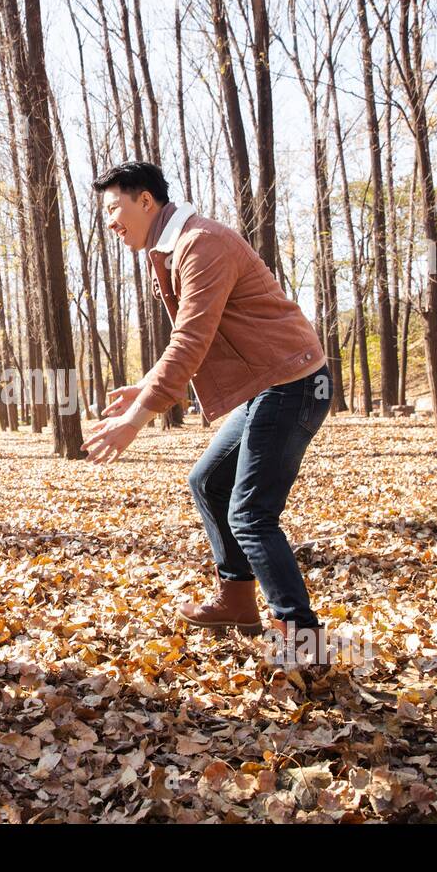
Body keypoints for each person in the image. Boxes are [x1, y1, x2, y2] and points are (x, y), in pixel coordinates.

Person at [82, 161, 332, 647]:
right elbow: (193, 337)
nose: (110, 221)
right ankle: (237, 601)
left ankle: (303, 645)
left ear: (146, 202)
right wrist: (146, 384)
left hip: (293, 382)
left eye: (115, 208)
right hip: (266, 385)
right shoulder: (174, 247)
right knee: (209, 482)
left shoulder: (202, 244)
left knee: (252, 515)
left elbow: (190, 340)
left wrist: (137, 419)